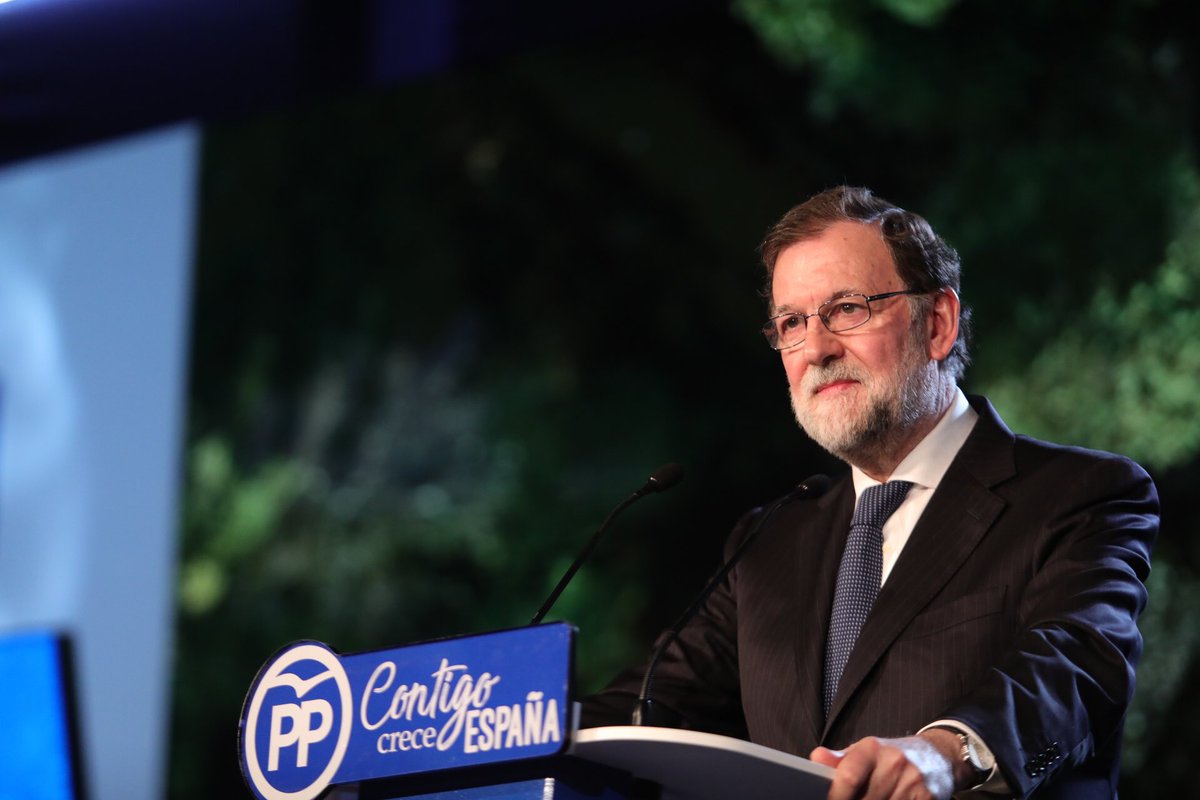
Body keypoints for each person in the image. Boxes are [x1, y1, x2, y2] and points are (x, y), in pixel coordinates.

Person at [580, 186, 1158, 799]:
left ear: (937, 323)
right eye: (792, 323)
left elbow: (1076, 667)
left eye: (848, 309)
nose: (817, 349)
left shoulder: (1080, 495)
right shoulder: (769, 542)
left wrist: (947, 751)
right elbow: (647, 705)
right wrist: (510, 724)